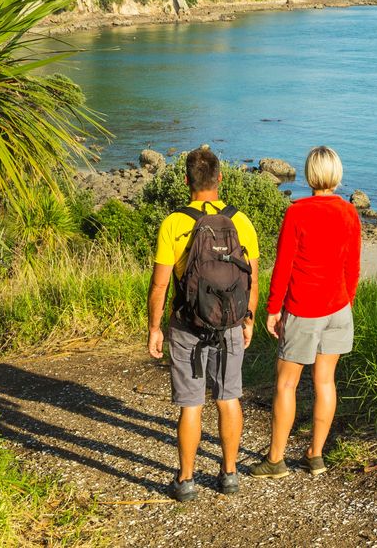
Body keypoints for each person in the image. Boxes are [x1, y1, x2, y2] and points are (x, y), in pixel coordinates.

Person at [147, 146, 259, 501]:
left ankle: (187, 480)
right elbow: (252, 277)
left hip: (187, 324)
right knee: (228, 398)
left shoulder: (174, 223)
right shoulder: (240, 221)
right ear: (220, 179)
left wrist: (154, 328)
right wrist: (248, 318)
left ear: (186, 182)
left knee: (191, 405)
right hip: (229, 323)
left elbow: (160, 283)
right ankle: (229, 474)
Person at [248, 146, 362, 478]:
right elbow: (352, 268)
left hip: (303, 309)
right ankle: (315, 456)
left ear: (310, 174)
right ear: (337, 175)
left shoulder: (297, 212)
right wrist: (346, 303)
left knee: (286, 385)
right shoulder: (349, 213)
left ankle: (275, 460)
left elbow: (283, 266)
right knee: (325, 381)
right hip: (339, 309)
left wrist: (273, 309)